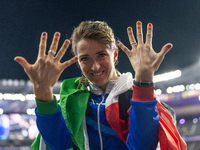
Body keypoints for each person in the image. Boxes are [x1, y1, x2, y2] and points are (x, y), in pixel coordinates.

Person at [14, 21, 187, 150]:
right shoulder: (72, 99)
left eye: (101, 55)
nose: (95, 66)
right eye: (85, 59)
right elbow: (59, 146)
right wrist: (44, 94)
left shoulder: (134, 95)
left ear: (115, 54)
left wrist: (144, 79)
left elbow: (142, 147)